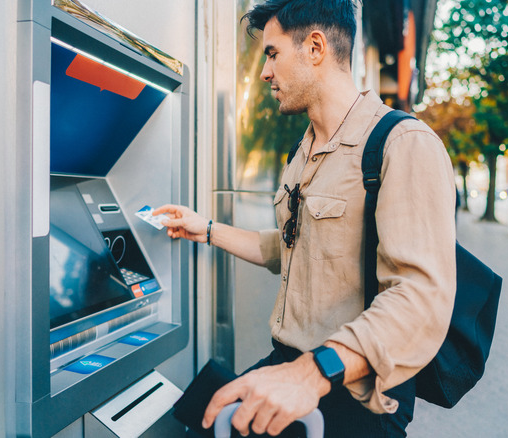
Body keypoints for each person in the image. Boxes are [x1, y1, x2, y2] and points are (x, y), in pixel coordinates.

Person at [155, 0, 457, 436]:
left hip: (351, 393)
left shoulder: (403, 143)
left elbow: (420, 299)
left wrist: (311, 373)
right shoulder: (304, 150)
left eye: (272, 54)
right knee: (196, 415)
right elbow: (293, 246)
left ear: (315, 47)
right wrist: (207, 230)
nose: (264, 73)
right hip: (291, 364)